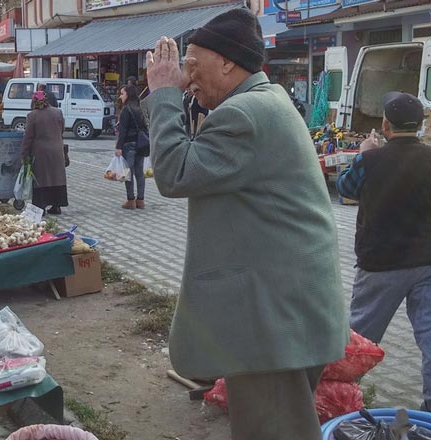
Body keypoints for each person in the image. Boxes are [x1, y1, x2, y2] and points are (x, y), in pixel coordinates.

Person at [143, 10, 348, 439]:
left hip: (272, 323)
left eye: (193, 66)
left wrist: (162, 94)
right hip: (281, 314)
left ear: (229, 63)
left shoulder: (245, 114)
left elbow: (174, 173)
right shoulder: (263, 102)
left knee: (273, 432)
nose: (186, 77)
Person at [337, 92, 431, 416]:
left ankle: (339, 398)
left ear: (385, 125)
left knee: (360, 335)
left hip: (381, 264)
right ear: (422, 126)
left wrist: (364, 152)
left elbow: (345, 188)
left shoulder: (370, 160)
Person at [21, 91, 67, 215]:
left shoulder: (32, 115)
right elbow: (62, 129)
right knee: (56, 177)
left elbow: (28, 137)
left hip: (41, 152)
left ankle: (40, 207)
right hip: (57, 150)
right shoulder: (58, 112)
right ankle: (56, 206)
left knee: (41, 179)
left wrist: (24, 154)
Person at [115, 84, 148, 209]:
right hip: (141, 143)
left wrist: (119, 147)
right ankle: (140, 200)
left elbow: (123, 131)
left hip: (129, 144)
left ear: (128, 95)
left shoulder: (126, 110)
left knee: (127, 172)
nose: (120, 96)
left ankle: (130, 200)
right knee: (139, 172)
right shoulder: (141, 108)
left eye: (122, 94)